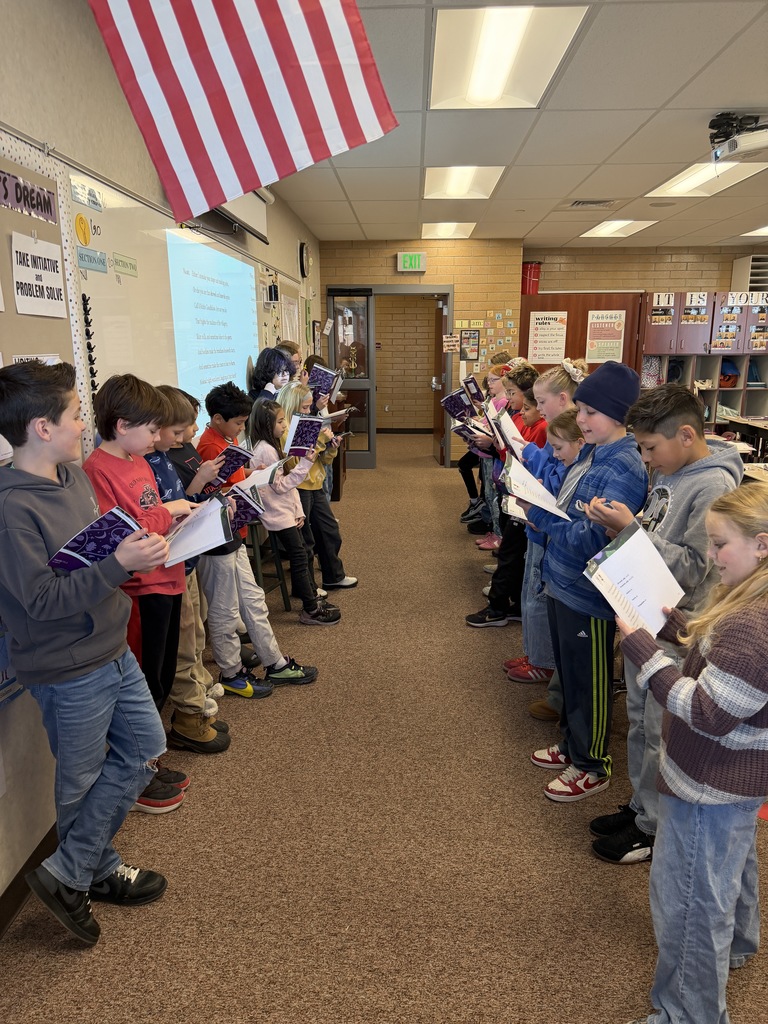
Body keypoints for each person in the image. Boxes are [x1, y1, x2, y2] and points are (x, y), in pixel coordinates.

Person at [0, 361, 169, 945]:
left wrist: (130, 549)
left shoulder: (72, 481)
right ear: (42, 428)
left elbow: (93, 557)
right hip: (66, 667)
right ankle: (88, 870)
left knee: (145, 746)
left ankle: (72, 870)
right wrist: (119, 566)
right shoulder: (10, 509)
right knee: (80, 780)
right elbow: (42, 600)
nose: (83, 426)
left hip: (110, 644)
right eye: (75, 415)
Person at [618, 483, 768, 1024]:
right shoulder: (751, 601)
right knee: (731, 869)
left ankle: (687, 1015)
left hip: (710, 782)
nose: (710, 556)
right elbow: (728, 675)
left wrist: (643, 652)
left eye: (719, 544)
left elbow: (707, 711)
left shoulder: (752, 625)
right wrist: (683, 628)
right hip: (735, 782)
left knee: (689, 903)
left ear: (762, 546)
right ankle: (738, 945)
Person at [585, 384, 742, 864]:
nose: (646, 460)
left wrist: (631, 530)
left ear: (687, 435)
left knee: (660, 730)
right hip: (646, 618)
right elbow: (656, 533)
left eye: (651, 448)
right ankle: (641, 806)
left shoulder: (712, 485)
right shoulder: (676, 471)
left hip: (678, 628)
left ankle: (653, 828)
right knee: (639, 721)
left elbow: (697, 567)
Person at [521, 360, 647, 802]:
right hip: (562, 579)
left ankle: (593, 763)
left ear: (618, 415)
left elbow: (593, 538)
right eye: (580, 409)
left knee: (588, 679)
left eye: (590, 412)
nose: (580, 419)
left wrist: (539, 515)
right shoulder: (595, 451)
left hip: (589, 592)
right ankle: (573, 743)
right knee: (570, 674)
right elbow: (571, 511)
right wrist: (550, 514)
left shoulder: (625, 465)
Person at [83, 374, 198, 813]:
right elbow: (122, 534)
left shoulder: (139, 459)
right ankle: (139, 770)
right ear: (121, 424)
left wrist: (178, 517)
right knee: (145, 679)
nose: (157, 438)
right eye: (151, 429)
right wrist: (167, 512)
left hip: (166, 576)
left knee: (163, 672)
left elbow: (150, 517)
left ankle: (149, 760)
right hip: (138, 588)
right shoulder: (98, 469)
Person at [196, 381, 319, 691]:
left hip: (232, 533)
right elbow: (211, 492)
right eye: (237, 423)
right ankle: (232, 671)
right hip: (217, 538)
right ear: (217, 419)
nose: (240, 430)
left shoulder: (225, 438)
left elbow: (234, 478)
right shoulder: (210, 445)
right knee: (224, 610)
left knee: (253, 601)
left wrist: (255, 473)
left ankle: (274, 662)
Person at [146, 385, 231, 755]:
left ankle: (198, 703)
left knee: (195, 634)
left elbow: (183, 502)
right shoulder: (150, 460)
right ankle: (189, 714)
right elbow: (165, 512)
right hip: (169, 566)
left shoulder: (165, 456)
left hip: (186, 560)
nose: (185, 438)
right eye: (177, 432)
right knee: (182, 643)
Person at [517, 360, 588, 720]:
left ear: (563, 399)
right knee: (538, 599)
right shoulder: (562, 433)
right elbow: (549, 468)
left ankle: (547, 673)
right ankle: (541, 662)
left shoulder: (574, 438)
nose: (538, 408)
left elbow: (558, 480)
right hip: (544, 528)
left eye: (542, 402)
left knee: (547, 605)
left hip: (556, 537)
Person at [506, 407, 585, 684]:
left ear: (579, 443)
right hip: (541, 534)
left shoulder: (579, 471)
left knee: (539, 599)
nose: (553, 453)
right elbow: (551, 478)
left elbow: (564, 508)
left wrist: (541, 497)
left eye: (558, 447)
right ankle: (535, 654)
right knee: (531, 596)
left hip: (551, 539)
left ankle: (544, 661)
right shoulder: (565, 462)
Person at [247, 399, 341, 625]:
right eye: (279, 422)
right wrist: (306, 464)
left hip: (285, 510)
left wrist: (297, 510)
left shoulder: (271, 447)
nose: (283, 426)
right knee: (299, 556)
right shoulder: (266, 451)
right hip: (277, 514)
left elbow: (286, 489)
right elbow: (281, 486)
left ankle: (312, 600)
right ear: (266, 425)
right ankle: (310, 608)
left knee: (303, 554)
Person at [277, 381, 357, 591]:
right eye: (304, 408)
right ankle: (306, 589)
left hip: (316, 485)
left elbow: (323, 461)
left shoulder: (307, 423)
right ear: (291, 405)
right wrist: (321, 440)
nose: (308, 411)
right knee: (305, 543)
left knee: (329, 531)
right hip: (299, 488)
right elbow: (295, 464)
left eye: (309, 407)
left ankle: (334, 576)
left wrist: (331, 447)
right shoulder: (285, 430)